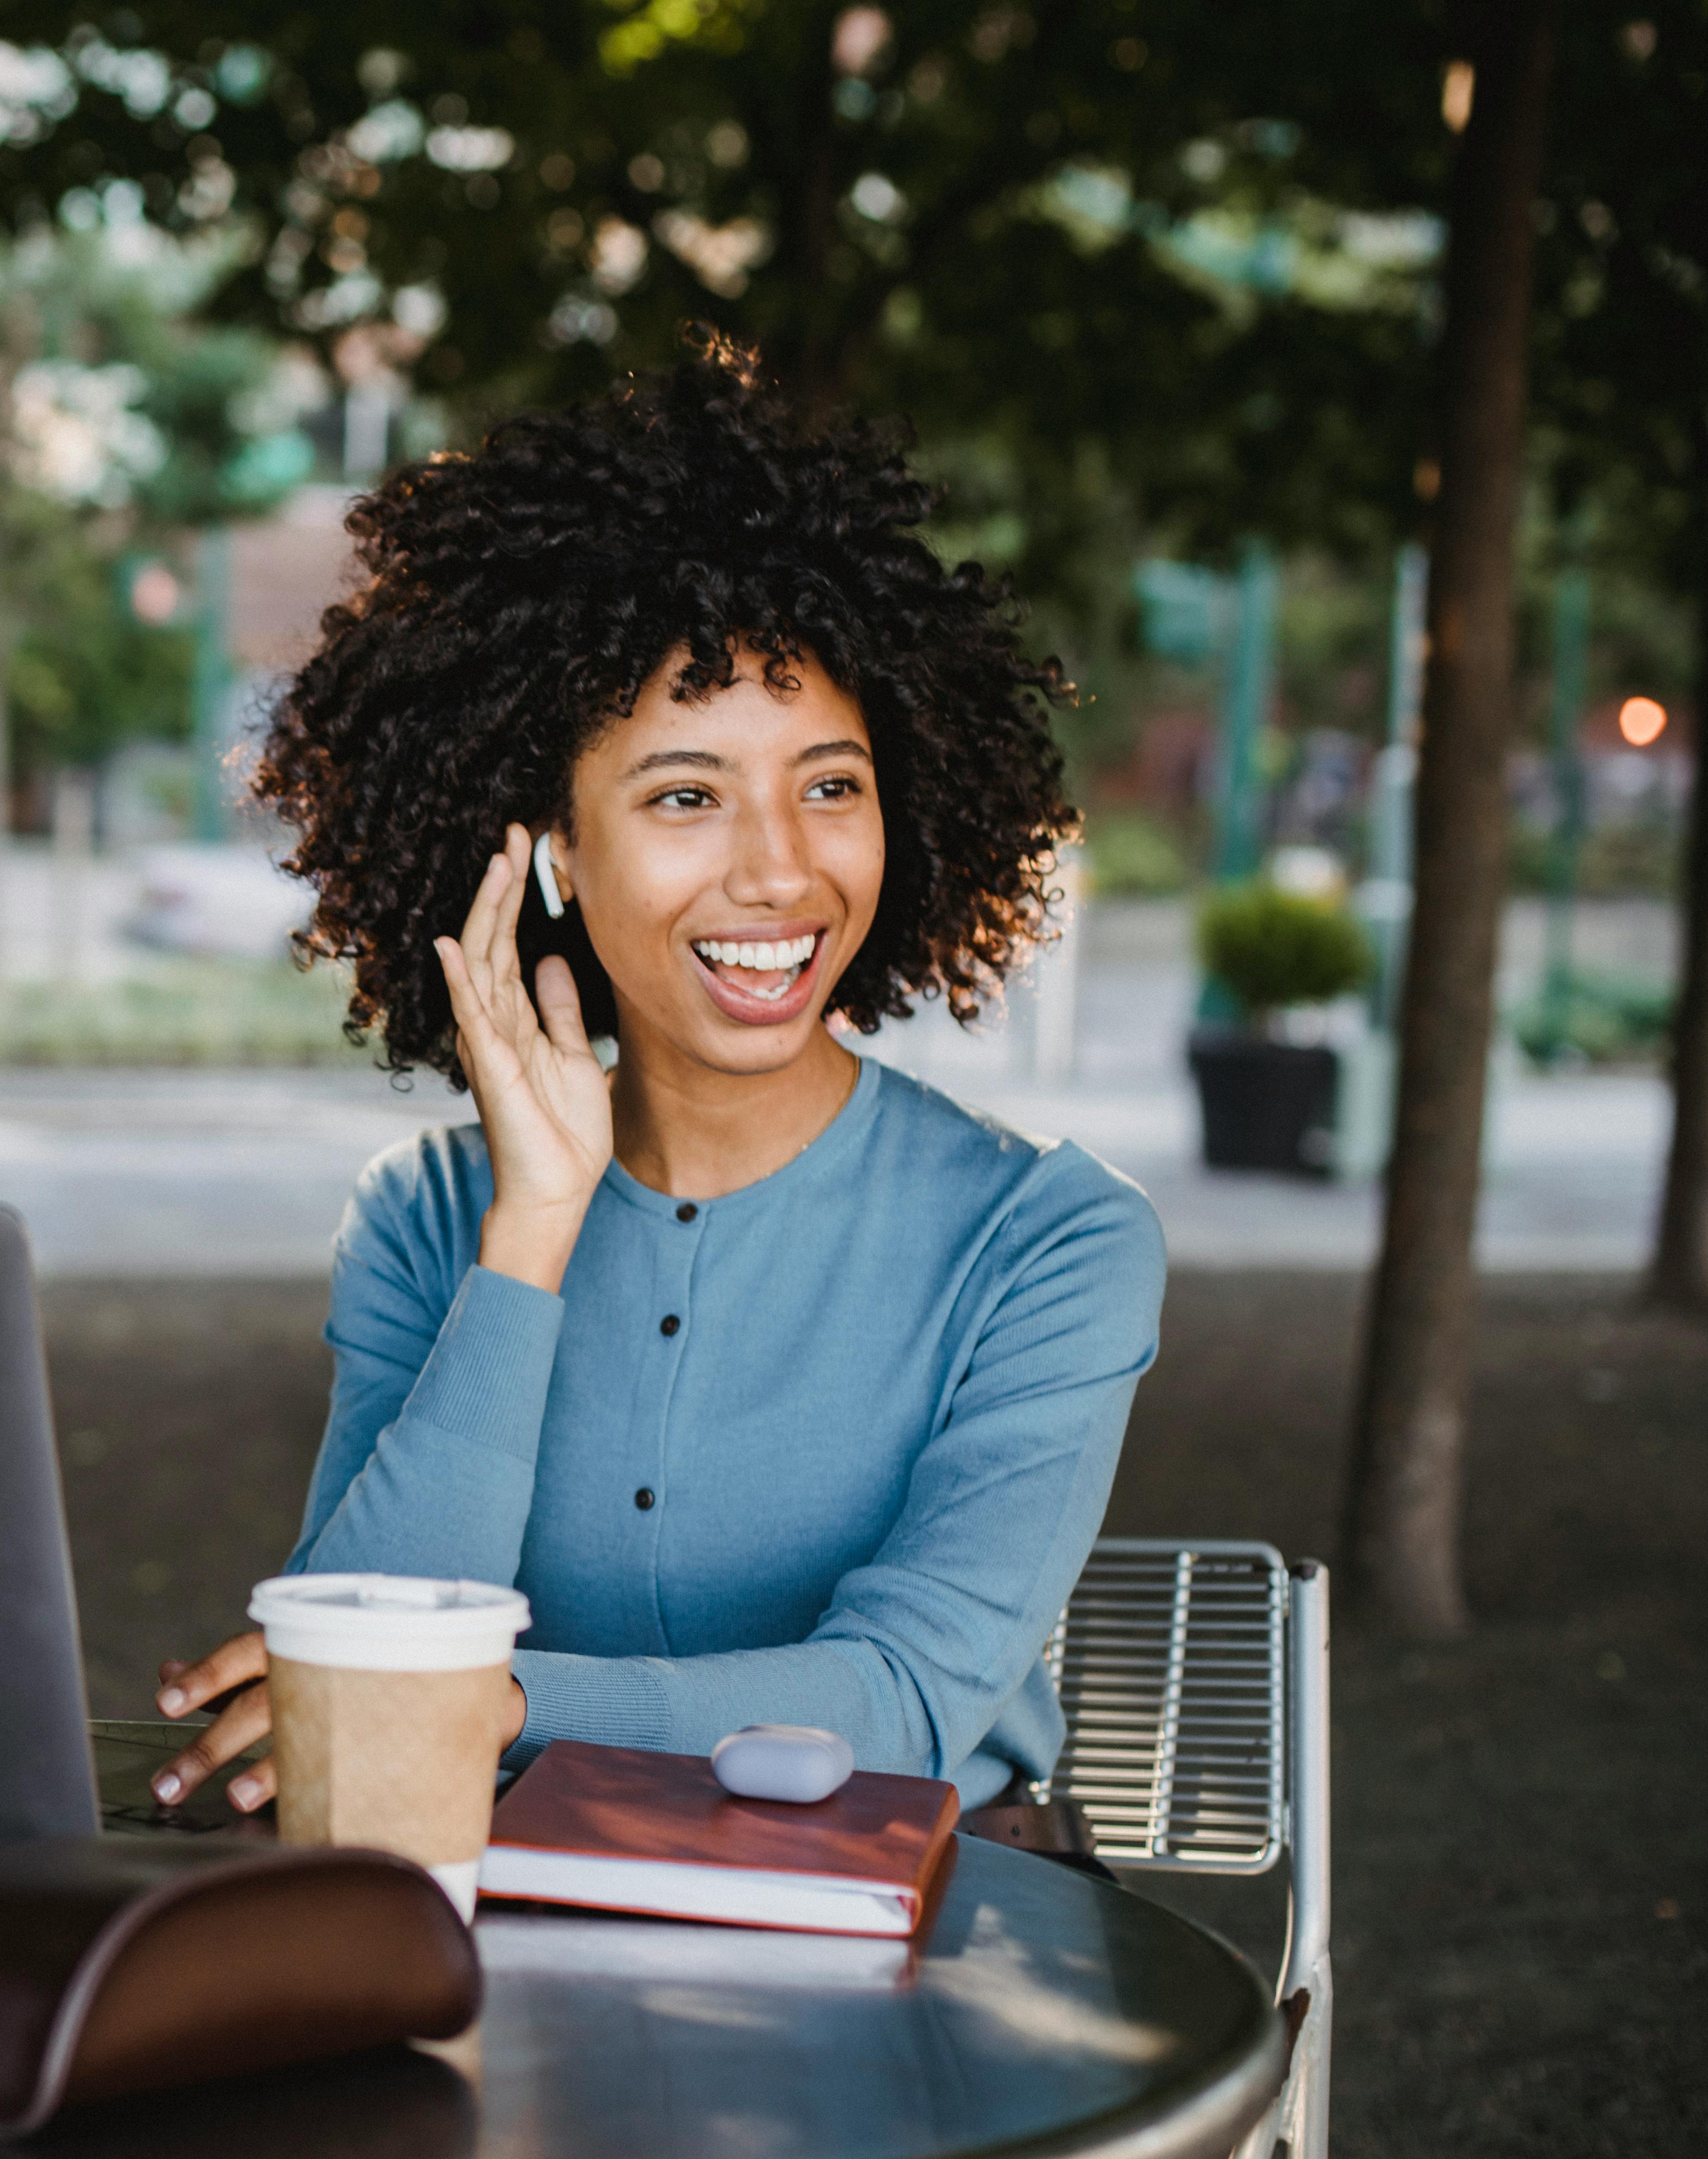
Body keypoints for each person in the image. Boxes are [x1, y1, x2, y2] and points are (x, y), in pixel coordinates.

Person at [151, 345, 1163, 1821]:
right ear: (554, 849)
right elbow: (350, 1671)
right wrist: (533, 1234)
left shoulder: (1053, 1243)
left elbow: (908, 1700)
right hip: (508, 1933)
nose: (780, 868)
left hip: (929, 1934)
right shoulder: (431, 1219)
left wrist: (494, 1699)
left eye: (831, 786)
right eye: (688, 796)